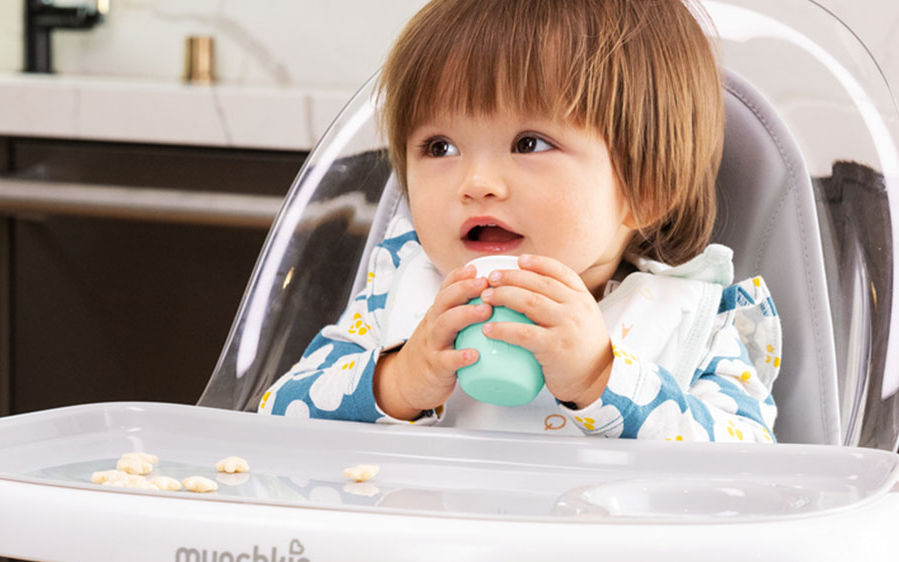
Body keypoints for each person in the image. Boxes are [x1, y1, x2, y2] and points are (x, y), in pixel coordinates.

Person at [260, 0, 780, 442]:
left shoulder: (694, 321)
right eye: (440, 147)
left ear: (646, 190)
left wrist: (604, 377)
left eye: (529, 143)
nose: (477, 182)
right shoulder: (398, 294)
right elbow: (274, 420)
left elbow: (754, 473)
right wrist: (396, 382)